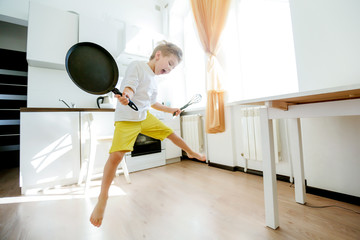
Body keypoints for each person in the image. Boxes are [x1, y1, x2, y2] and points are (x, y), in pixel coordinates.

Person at [90, 41, 206, 227]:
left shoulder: (154, 79)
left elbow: (152, 103)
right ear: (158, 55)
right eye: (170, 63)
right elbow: (130, 86)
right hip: (127, 118)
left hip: (144, 116)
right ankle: (103, 196)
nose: (170, 69)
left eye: (173, 67)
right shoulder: (138, 66)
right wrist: (126, 94)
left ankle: (190, 152)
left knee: (170, 133)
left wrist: (171, 110)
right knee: (116, 156)